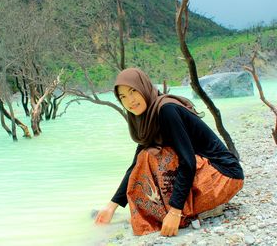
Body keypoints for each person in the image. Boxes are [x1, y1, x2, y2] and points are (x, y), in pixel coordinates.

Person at [94, 67, 244, 237]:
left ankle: (181, 210)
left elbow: (188, 162)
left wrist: (175, 212)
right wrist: (111, 206)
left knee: (152, 156)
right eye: (123, 97)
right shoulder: (148, 117)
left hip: (226, 175)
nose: (130, 101)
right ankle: (182, 208)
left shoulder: (166, 110)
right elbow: (135, 165)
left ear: (143, 87)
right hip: (208, 174)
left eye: (133, 91)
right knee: (145, 157)